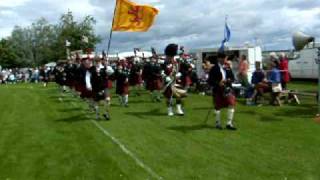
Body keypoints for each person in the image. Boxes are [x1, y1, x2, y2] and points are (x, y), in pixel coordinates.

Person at [208, 53, 237, 130]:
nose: (225, 60)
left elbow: (232, 78)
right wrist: (218, 83)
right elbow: (210, 81)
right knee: (218, 107)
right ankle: (217, 123)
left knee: (231, 104)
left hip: (227, 89)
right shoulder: (214, 68)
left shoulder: (227, 67)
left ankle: (229, 123)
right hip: (218, 89)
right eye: (223, 58)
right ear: (219, 59)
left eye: (225, 58)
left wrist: (228, 80)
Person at [163, 44, 187, 116]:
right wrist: (165, 77)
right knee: (169, 96)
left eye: (171, 56)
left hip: (177, 81)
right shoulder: (164, 62)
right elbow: (161, 71)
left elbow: (182, 70)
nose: (170, 57)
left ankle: (178, 109)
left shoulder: (177, 62)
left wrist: (180, 74)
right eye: (169, 56)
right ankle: (169, 110)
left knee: (179, 95)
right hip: (169, 81)